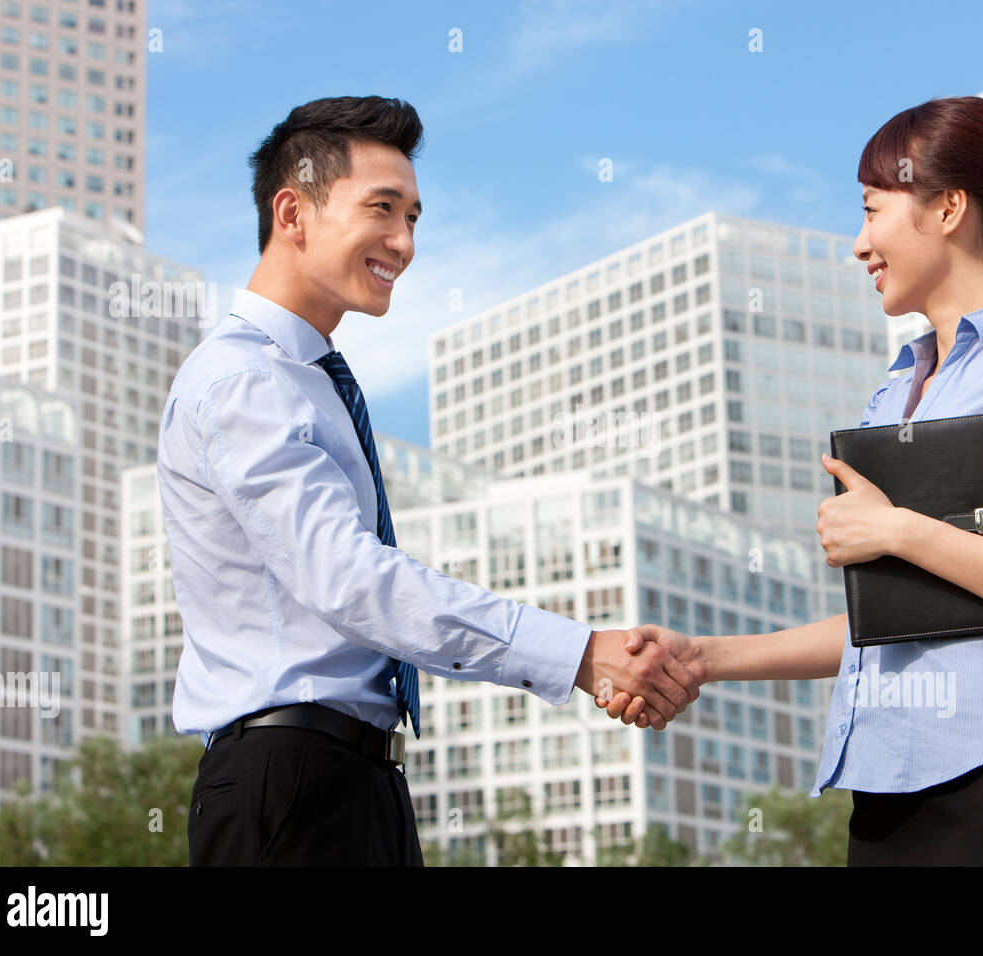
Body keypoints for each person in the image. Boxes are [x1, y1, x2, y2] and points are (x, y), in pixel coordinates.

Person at [159, 95, 695, 867]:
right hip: (289, 787)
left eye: (413, 217)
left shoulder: (312, 382)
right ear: (292, 211)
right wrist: (575, 654)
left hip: (357, 781)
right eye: (382, 209)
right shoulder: (241, 379)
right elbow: (350, 580)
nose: (403, 242)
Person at [605, 96, 983, 866]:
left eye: (873, 210)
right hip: (881, 793)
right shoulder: (896, 387)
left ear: (948, 208)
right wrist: (703, 658)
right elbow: (893, 624)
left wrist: (897, 531)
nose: (859, 243)